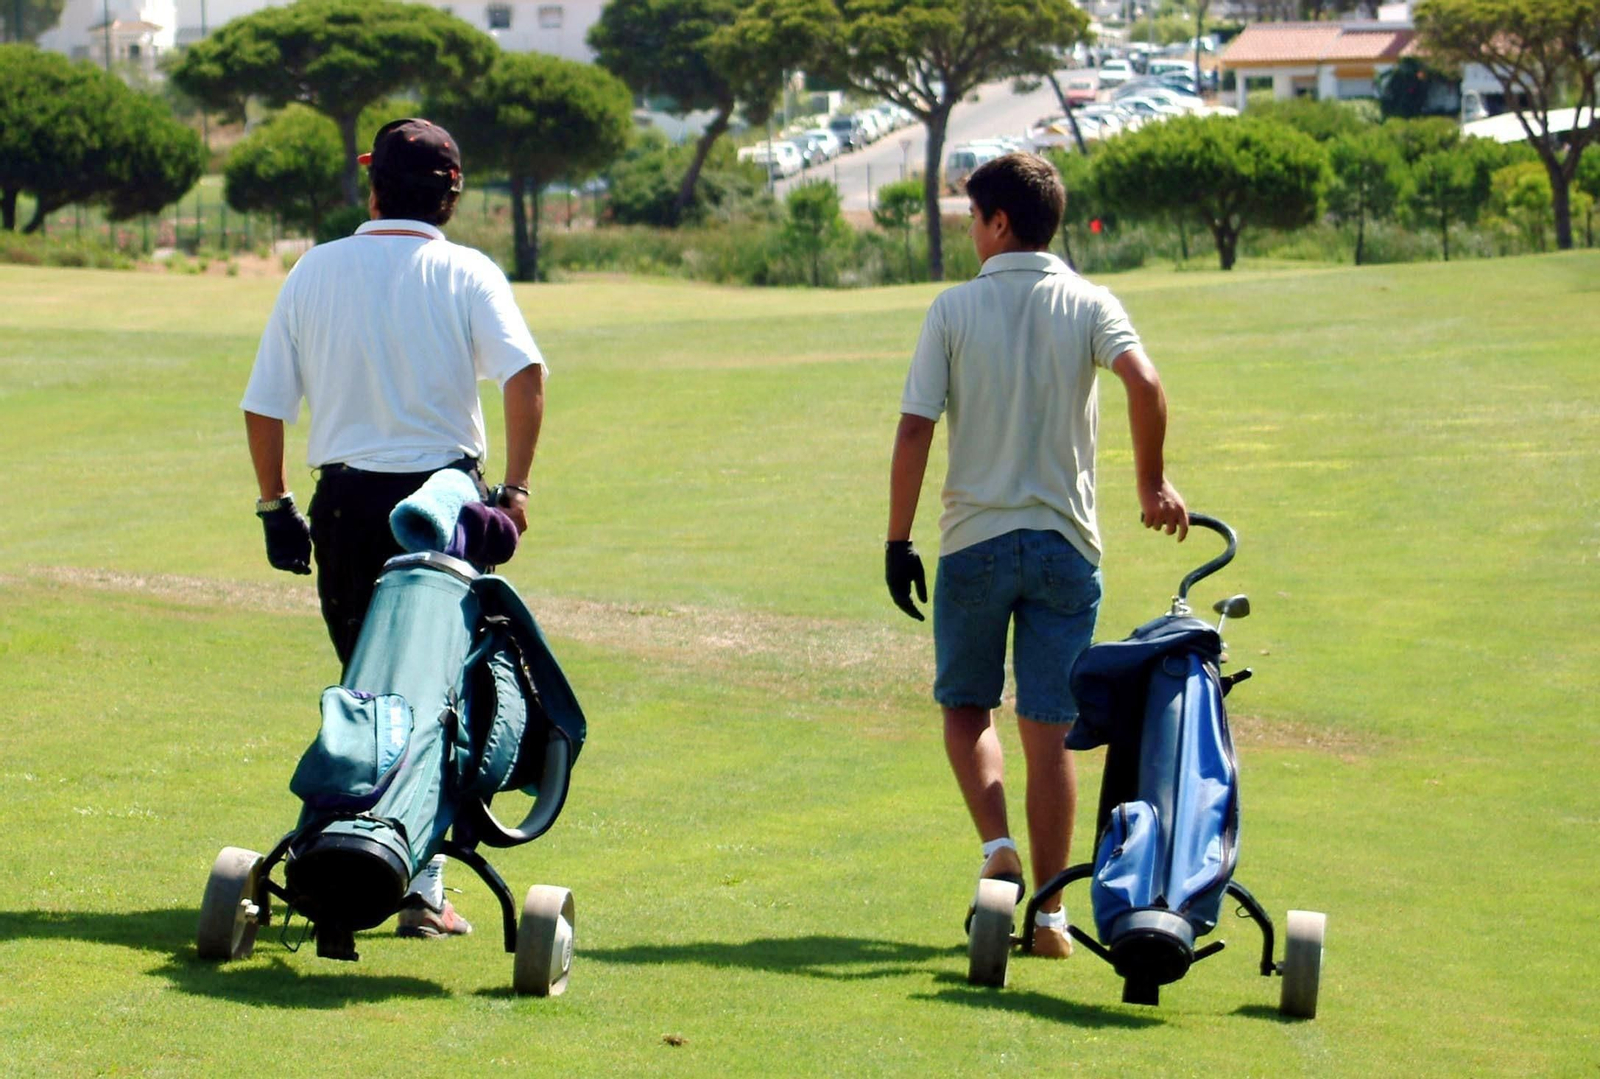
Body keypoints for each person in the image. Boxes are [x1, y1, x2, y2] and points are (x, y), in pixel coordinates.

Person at [241, 118, 548, 939]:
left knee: (369, 694)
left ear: (373, 184)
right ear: (451, 194)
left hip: (343, 509)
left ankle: (379, 865)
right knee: (438, 699)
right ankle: (408, 881)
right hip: (443, 508)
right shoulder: (467, 271)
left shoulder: (316, 269)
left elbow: (265, 403)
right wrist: (515, 489)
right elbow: (525, 374)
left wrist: (275, 506)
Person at [883, 152, 1188, 958]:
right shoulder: (1090, 300)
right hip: (1065, 547)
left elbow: (915, 427)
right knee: (1048, 730)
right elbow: (1145, 381)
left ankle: (996, 849)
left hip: (974, 543)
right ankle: (1051, 919)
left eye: (974, 217)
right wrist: (1153, 485)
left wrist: (896, 539)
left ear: (1000, 223)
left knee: (965, 710)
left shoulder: (952, 309)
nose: (969, 231)